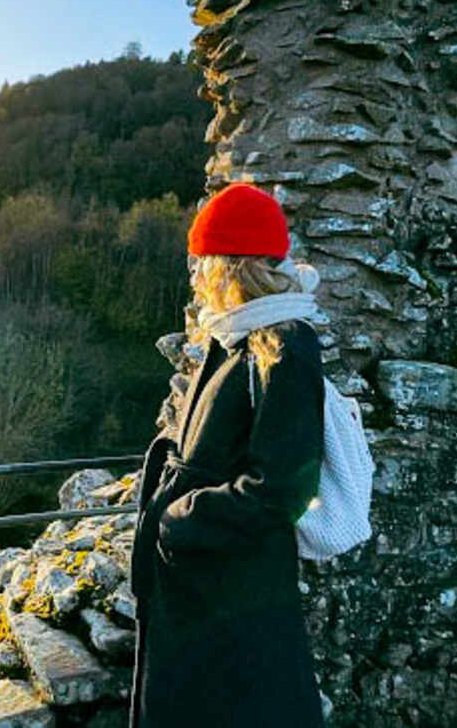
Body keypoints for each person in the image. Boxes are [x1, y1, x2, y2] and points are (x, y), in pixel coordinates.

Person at [128, 182, 327, 727]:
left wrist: (180, 520)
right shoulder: (236, 336)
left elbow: (283, 487)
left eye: (200, 261)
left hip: (233, 592)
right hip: (205, 585)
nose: (194, 275)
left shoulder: (287, 344)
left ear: (228, 264)